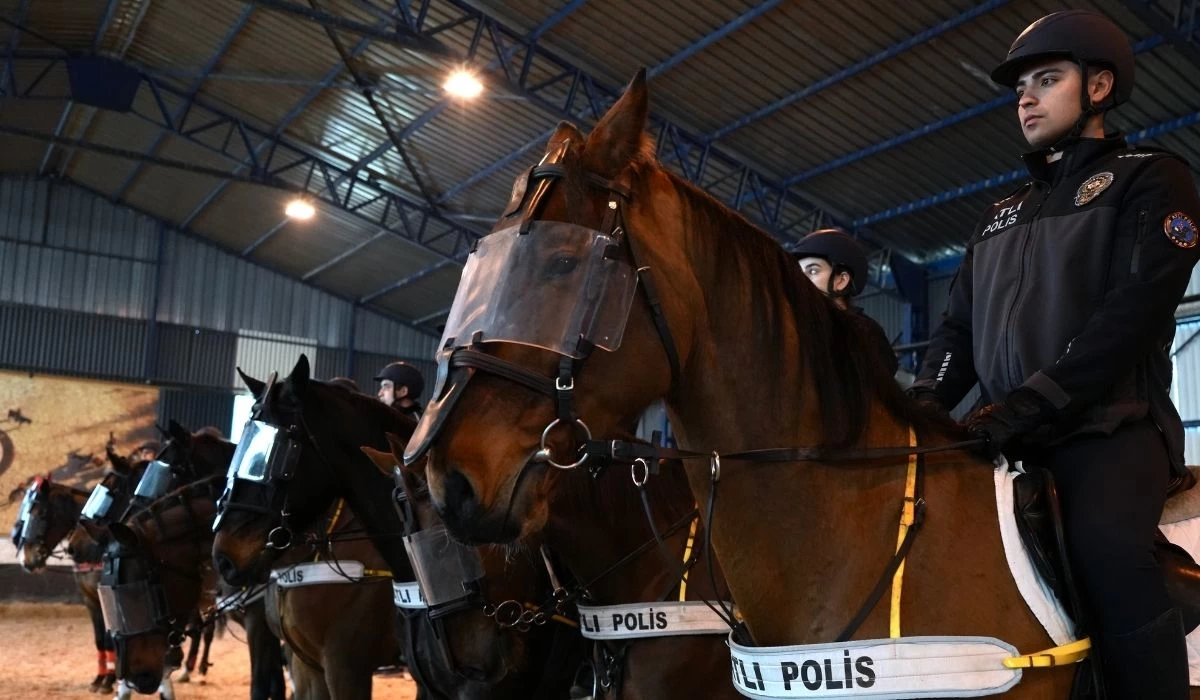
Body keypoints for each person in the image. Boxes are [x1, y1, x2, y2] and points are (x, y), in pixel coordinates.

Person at [908, 10, 1200, 698]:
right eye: (1019, 89)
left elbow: (1131, 312)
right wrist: (922, 406)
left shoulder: (1151, 179)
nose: (1026, 99)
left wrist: (1037, 401)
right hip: (1004, 433)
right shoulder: (1000, 213)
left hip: (1110, 429)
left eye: (1047, 79)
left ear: (1098, 87)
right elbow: (956, 332)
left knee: (1106, 550)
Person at [792, 228, 900, 375]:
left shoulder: (866, 334)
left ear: (841, 281)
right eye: (798, 273)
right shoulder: (796, 330)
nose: (800, 280)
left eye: (813, 271)